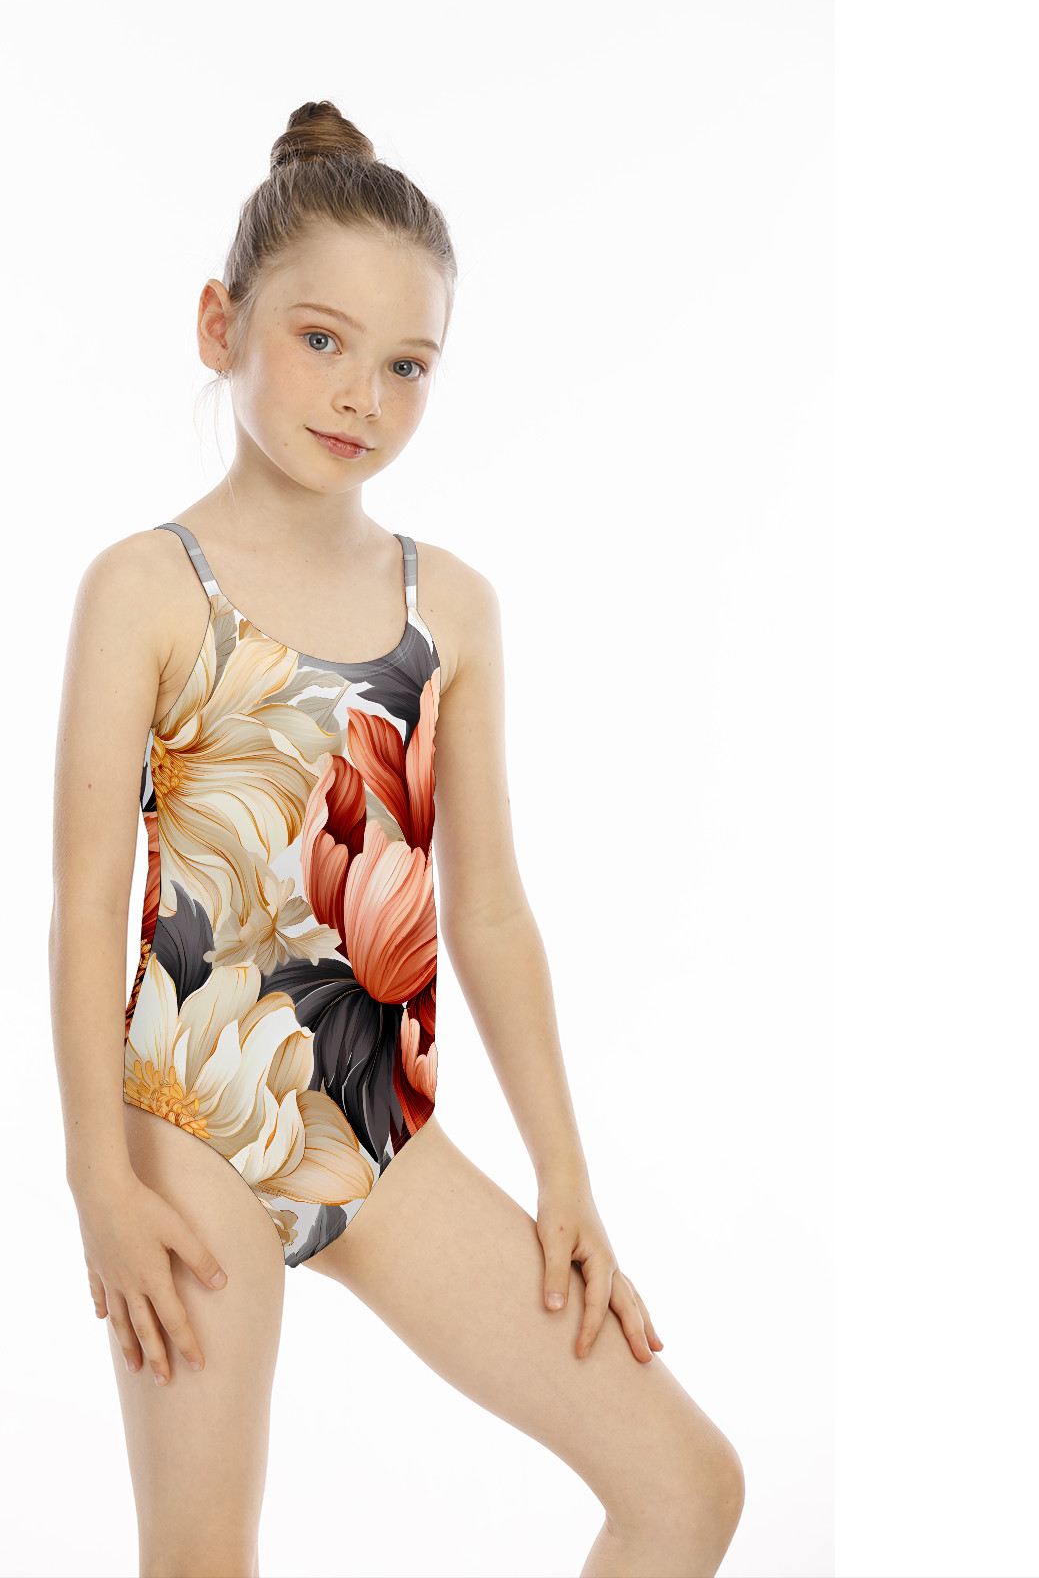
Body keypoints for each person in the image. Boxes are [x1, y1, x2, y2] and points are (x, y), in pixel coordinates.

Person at [48, 99, 744, 1578]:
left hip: (378, 1128)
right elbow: (84, 901)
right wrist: (99, 1180)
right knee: (201, 1557)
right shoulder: (147, 590)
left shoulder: (454, 609)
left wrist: (567, 1183)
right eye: (322, 339)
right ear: (221, 326)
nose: (362, 393)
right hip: (191, 1126)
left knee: (688, 1487)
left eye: (407, 363)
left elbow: (487, 913)